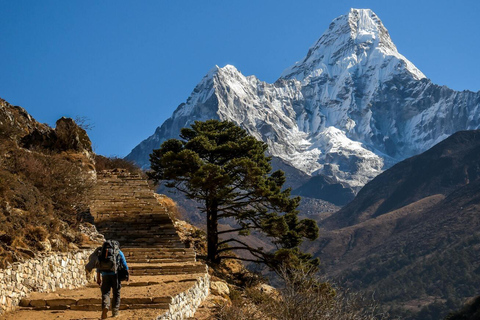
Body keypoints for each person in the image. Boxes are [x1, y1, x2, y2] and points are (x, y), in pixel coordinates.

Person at [96, 240, 129, 319]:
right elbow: (124, 263)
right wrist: (127, 274)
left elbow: (98, 265)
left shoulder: (102, 252)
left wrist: (98, 278)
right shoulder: (118, 252)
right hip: (115, 275)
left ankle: (106, 306)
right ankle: (115, 311)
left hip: (104, 275)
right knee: (116, 293)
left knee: (105, 293)